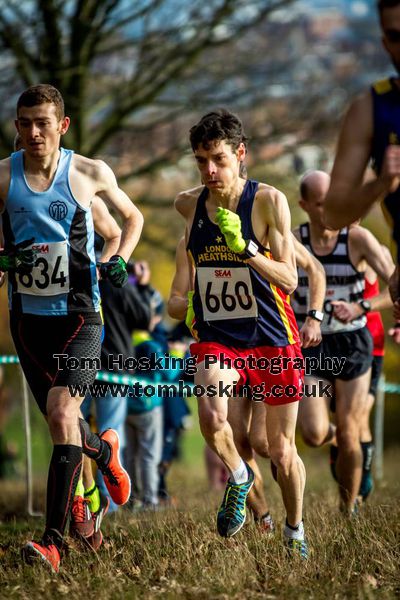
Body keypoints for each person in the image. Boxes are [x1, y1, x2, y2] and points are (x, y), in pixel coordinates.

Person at [0, 84, 143, 572]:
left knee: (63, 415)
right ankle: (103, 452)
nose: (33, 132)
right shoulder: (3, 177)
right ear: (16, 126)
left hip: (81, 316)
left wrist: (117, 258)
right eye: (24, 123)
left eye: (43, 123)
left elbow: (131, 217)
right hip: (27, 322)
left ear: (62, 126)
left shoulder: (87, 172)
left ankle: (52, 543)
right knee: (61, 424)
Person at [170, 109, 307, 557]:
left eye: (218, 159)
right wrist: (187, 306)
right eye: (201, 160)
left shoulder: (268, 201)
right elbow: (175, 297)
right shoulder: (188, 205)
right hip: (219, 338)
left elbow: (289, 280)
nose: (209, 170)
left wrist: (246, 249)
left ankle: (294, 530)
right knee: (212, 417)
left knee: (280, 450)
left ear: (240, 154)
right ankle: (240, 475)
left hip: (272, 336)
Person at [291, 170, 394, 514]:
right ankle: (335, 440)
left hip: (353, 343)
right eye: (321, 204)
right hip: (312, 347)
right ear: (305, 205)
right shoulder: (294, 240)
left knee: (352, 431)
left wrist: (361, 305)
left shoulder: (357, 238)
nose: (330, 209)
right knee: (313, 432)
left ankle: (347, 509)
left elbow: (394, 283)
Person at [323, 0, 400, 302]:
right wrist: (381, 183)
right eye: (395, 37)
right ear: (384, 43)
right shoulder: (370, 109)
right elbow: (333, 214)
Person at [328, 243, 395, 501]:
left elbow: (393, 289)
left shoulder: (373, 248)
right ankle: (341, 446)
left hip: (370, 341)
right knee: (342, 420)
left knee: (359, 417)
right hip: (331, 341)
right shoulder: (318, 246)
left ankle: (361, 479)